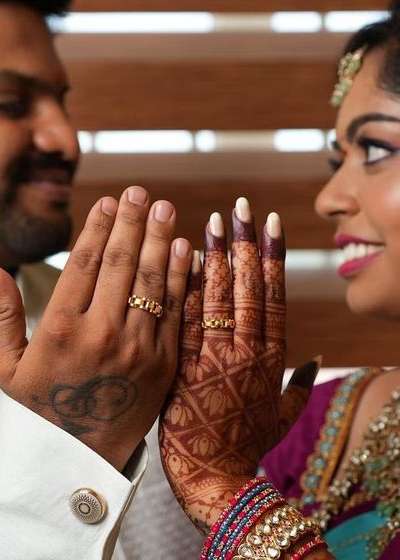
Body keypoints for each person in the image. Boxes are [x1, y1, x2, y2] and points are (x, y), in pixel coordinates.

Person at [159, 4, 400, 560]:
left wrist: (219, 489)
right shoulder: (312, 421)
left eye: (377, 150)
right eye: (335, 161)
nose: (328, 199)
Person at [0, 0, 203, 558]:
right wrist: (69, 442)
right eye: (10, 103)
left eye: (61, 103)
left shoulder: (108, 331)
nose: (66, 139)